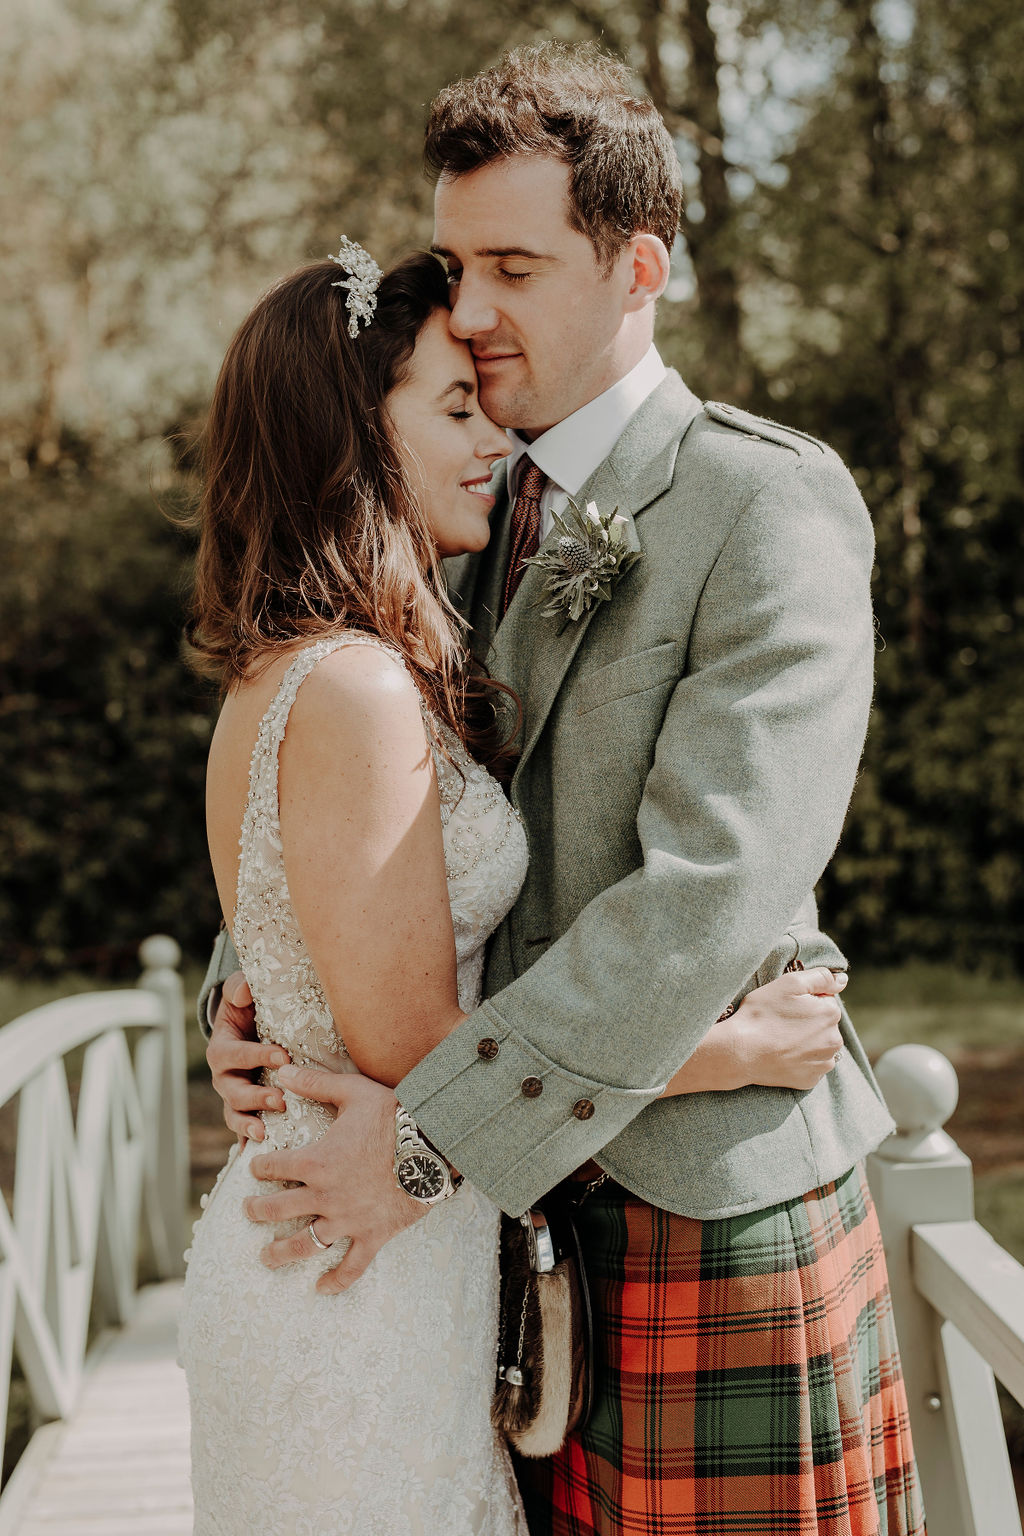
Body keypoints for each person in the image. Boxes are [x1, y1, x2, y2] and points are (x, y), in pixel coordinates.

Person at [201, 43, 925, 1536]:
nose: (468, 312)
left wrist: (425, 1138)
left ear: (638, 264)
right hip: (498, 1254)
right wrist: (256, 986)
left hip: (695, 1217)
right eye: (457, 265)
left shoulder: (760, 502)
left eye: (513, 267)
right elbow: (383, 800)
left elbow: (703, 897)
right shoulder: (445, 502)